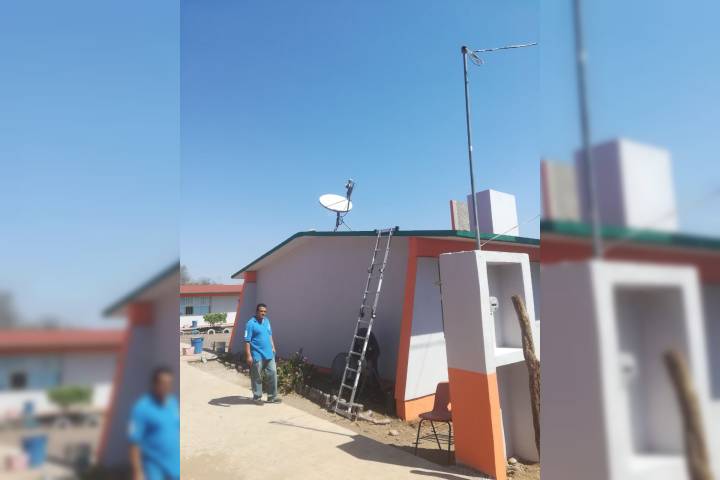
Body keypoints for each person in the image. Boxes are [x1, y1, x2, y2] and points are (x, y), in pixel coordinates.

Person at [128, 366, 180, 480]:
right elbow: (134, 442)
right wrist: (137, 472)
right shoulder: (142, 407)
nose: (167, 387)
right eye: (163, 383)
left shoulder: (173, 402)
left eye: (169, 383)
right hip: (154, 467)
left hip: (174, 465)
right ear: (155, 384)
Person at [244, 303, 281, 404]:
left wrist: (273, 347)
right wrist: (248, 355)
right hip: (257, 354)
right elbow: (247, 341)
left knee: (272, 373)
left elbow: (269, 334)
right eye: (261, 311)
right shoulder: (250, 323)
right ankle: (257, 397)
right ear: (257, 312)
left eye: (265, 311)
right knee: (257, 376)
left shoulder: (267, 321)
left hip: (269, 353)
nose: (263, 313)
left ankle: (272, 397)